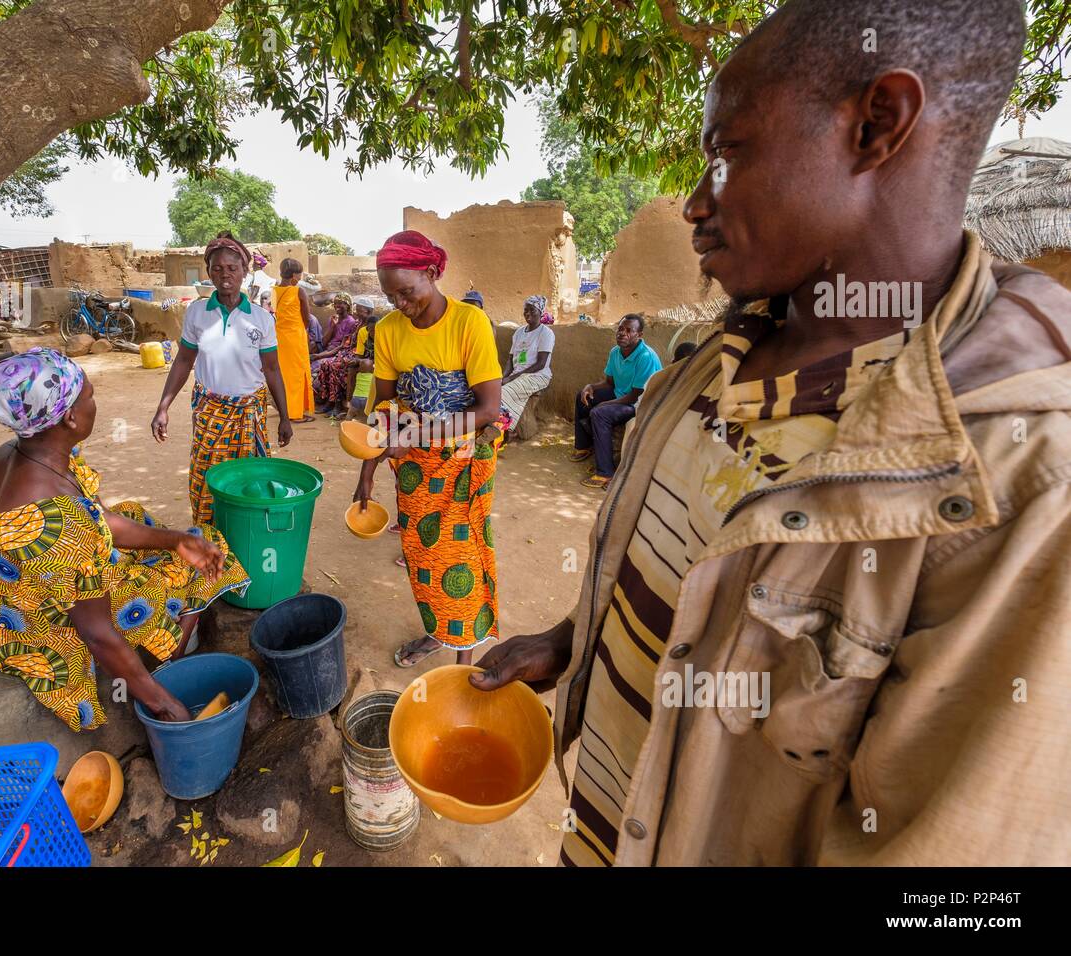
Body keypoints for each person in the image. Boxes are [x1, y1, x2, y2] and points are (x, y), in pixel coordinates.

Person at [473, 0, 1071, 867]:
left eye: (726, 153)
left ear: (877, 124)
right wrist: (573, 638)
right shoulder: (716, 354)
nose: (693, 203)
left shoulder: (1015, 484)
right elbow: (692, 593)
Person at [0, 348, 251, 730]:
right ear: (69, 417)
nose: (94, 401)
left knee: (161, 527)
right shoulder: (58, 524)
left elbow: (100, 520)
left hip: (32, 590)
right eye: (88, 394)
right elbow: (97, 633)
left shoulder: (16, 452)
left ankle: (165, 638)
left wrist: (172, 540)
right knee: (188, 570)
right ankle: (166, 655)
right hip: (46, 626)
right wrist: (165, 704)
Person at [353, 230, 504, 668]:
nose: (400, 303)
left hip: (461, 464)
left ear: (432, 273)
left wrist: (417, 436)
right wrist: (367, 468)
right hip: (412, 468)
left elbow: (488, 409)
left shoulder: (469, 323)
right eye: (390, 295)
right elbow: (381, 404)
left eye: (407, 292)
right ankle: (437, 632)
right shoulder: (387, 330)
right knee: (423, 557)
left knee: (460, 557)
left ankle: (464, 660)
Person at [152, 232, 294, 525]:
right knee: (207, 481)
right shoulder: (196, 313)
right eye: (217, 268)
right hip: (210, 413)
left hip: (249, 413)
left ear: (244, 271)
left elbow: (272, 370)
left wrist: (284, 416)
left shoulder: (261, 319)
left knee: (250, 482)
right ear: (209, 273)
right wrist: (163, 407)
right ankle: (209, 540)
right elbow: (183, 360)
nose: (225, 274)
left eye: (232, 268)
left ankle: (245, 538)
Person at [571, 313, 662, 488]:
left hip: (640, 403)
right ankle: (583, 446)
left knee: (599, 413)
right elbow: (609, 383)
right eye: (621, 328)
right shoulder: (615, 352)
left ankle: (605, 473)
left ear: (639, 335)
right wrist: (591, 387)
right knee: (582, 396)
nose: (622, 333)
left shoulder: (645, 357)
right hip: (621, 394)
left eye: (629, 330)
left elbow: (636, 396)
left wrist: (606, 404)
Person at [499, 295, 556, 434]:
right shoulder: (519, 332)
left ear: (541, 312)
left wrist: (511, 379)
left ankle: (503, 428)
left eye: (532, 310)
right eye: (526, 310)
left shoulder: (546, 333)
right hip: (518, 375)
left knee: (503, 393)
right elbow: (510, 360)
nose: (528, 313)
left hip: (537, 376)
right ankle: (500, 427)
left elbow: (541, 364)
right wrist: (503, 377)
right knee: (493, 388)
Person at [270, 258, 317, 423]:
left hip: (280, 337)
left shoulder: (274, 291)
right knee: (296, 375)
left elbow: (275, 312)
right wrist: (300, 329)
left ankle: (288, 409)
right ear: (294, 275)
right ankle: (295, 413)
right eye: (299, 274)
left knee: (284, 375)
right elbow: (307, 317)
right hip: (295, 336)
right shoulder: (298, 291)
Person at [312, 293, 365, 412]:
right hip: (331, 351)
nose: (337, 306)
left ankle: (334, 403)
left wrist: (320, 355)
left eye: (340, 303)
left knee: (329, 365)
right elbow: (324, 342)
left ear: (347, 305)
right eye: (335, 303)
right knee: (317, 365)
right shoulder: (334, 320)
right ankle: (328, 402)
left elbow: (344, 346)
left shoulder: (351, 322)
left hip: (339, 353)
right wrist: (333, 327)